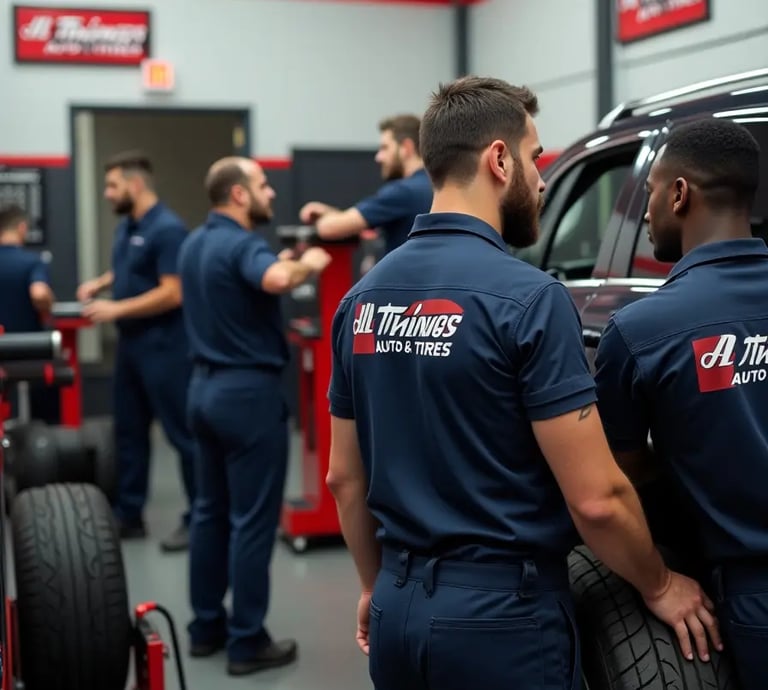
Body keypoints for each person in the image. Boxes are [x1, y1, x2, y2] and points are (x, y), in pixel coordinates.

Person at [325, 76, 721, 690]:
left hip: (396, 616)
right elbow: (596, 499)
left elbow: (344, 479)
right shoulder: (530, 299)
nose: (541, 179)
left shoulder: (360, 300)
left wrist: (377, 588)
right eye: (536, 157)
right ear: (499, 159)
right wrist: (661, 583)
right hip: (501, 625)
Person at [594, 118, 766, 690]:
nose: (645, 215)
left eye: (649, 196)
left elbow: (619, 476)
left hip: (749, 595)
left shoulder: (641, 330)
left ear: (679, 193)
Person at [178, 156, 331, 676]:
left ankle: (204, 629)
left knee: (208, 512)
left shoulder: (194, 243)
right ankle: (247, 642)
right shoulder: (244, 244)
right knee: (250, 523)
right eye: (263, 185)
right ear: (239, 195)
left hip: (201, 391)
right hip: (247, 396)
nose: (270, 192)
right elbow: (273, 279)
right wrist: (308, 264)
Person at [77, 151, 195, 553]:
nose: (108, 193)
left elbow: (172, 290)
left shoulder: (168, 228)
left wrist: (114, 309)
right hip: (131, 348)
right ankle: (129, 515)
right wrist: (102, 283)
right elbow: (133, 268)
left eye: (113, 185)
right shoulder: (128, 227)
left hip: (165, 346)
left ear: (136, 183)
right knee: (128, 431)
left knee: (183, 435)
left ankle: (199, 518)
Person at [299, 114, 433, 254]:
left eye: (385, 148)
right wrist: (331, 212)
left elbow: (329, 228)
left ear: (406, 147)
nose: (378, 157)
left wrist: (322, 219)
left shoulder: (402, 192)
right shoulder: (435, 186)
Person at [0, 203, 59, 423]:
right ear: (22, 228)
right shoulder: (32, 262)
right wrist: (50, 305)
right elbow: (40, 294)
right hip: (25, 352)